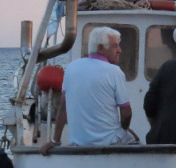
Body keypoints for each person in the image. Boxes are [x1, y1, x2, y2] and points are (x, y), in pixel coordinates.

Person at [40, 26, 138, 154]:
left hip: (78, 144)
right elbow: (126, 113)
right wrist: (124, 129)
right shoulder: (114, 72)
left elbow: (63, 108)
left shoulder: (71, 68)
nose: (119, 50)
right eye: (115, 46)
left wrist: (55, 141)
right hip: (110, 142)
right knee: (136, 141)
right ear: (101, 48)